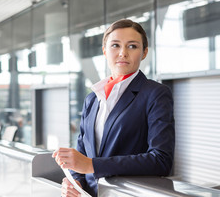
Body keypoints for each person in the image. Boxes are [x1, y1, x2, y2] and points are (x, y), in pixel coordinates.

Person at [52, 19, 175, 197]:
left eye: (132, 46)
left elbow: (161, 160)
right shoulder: (92, 99)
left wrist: (92, 165)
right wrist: (75, 180)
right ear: (104, 51)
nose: (123, 53)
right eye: (115, 45)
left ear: (144, 52)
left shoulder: (155, 94)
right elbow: (83, 152)